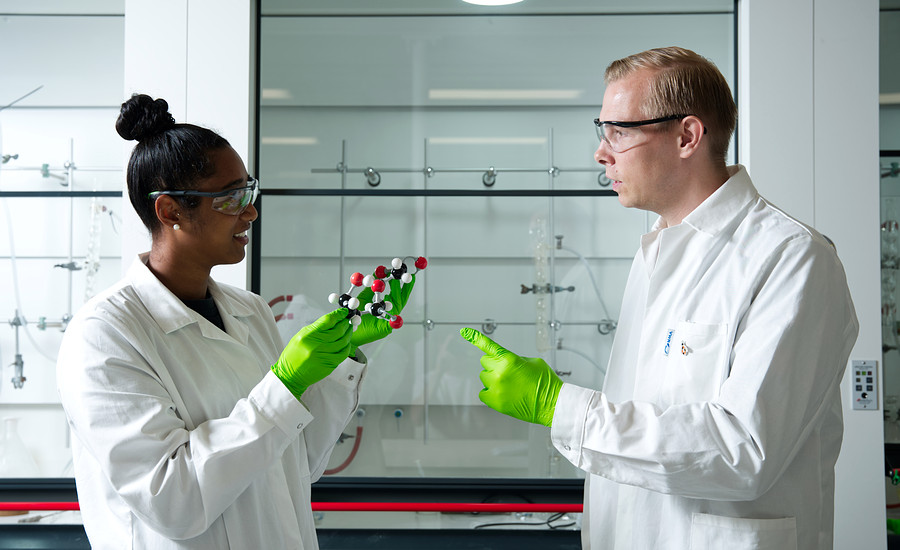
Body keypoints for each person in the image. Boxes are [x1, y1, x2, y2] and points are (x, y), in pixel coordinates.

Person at [460, 46, 858, 549]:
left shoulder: (792, 258)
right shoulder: (655, 253)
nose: (601, 153)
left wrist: (560, 407)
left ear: (687, 135)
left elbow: (742, 451)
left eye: (620, 132)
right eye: (601, 130)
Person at [56, 94, 415, 549]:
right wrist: (282, 386)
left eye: (250, 190)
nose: (251, 211)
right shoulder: (105, 335)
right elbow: (174, 500)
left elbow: (297, 462)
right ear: (170, 212)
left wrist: (342, 358)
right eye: (231, 197)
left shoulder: (250, 311)